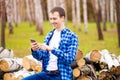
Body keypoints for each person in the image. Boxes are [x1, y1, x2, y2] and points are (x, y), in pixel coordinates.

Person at [22, 7, 78, 80]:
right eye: (50, 19)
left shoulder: (72, 36)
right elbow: (41, 57)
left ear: (62, 18)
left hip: (60, 76)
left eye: (54, 19)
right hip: (46, 73)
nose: (52, 21)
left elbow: (69, 59)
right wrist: (35, 50)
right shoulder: (49, 35)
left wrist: (51, 49)